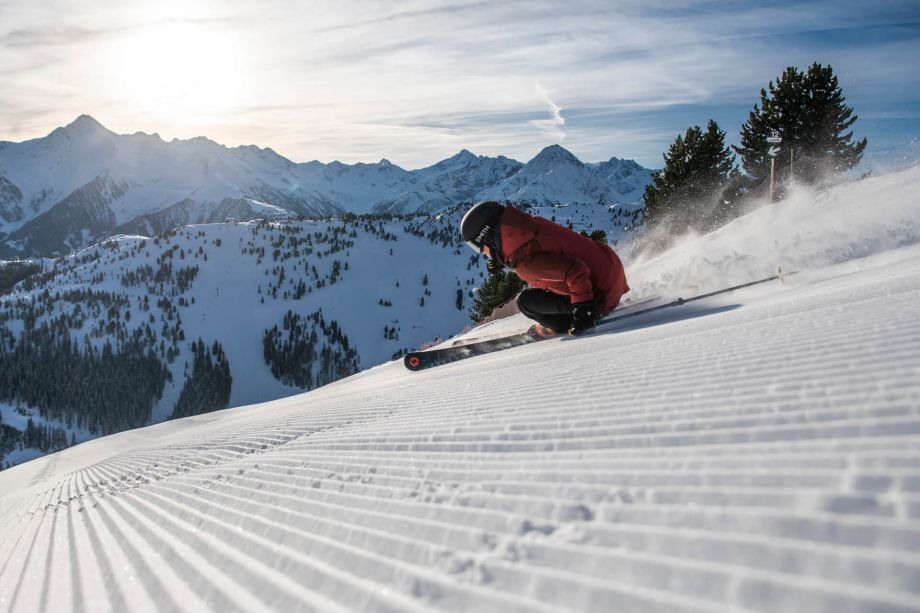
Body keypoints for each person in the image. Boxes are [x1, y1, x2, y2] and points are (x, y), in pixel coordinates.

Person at [460, 201, 629, 335]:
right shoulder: (531, 227)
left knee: (525, 302)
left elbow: (575, 270)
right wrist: (502, 259)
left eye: (481, 248)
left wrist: (584, 310)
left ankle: (560, 326)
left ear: (489, 238)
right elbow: (545, 257)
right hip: (612, 272)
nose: (483, 254)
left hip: (601, 296)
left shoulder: (526, 263)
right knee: (544, 283)